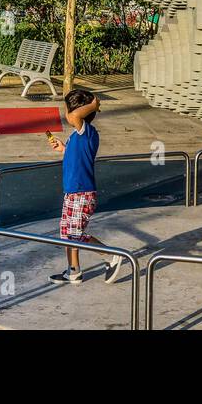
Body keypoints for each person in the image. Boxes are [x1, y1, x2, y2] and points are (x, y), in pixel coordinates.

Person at [45, 88, 122, 285]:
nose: (66, 114)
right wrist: (64, 148)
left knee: (75, 234)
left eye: (67, 109)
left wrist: (93, 104)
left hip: (82, 192)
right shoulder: (77, 135)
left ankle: (111, 255)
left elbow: (73, 116)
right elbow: (78, 156)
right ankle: (74, 271)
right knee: (66, 233)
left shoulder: (87, 131)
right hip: (72, 191)